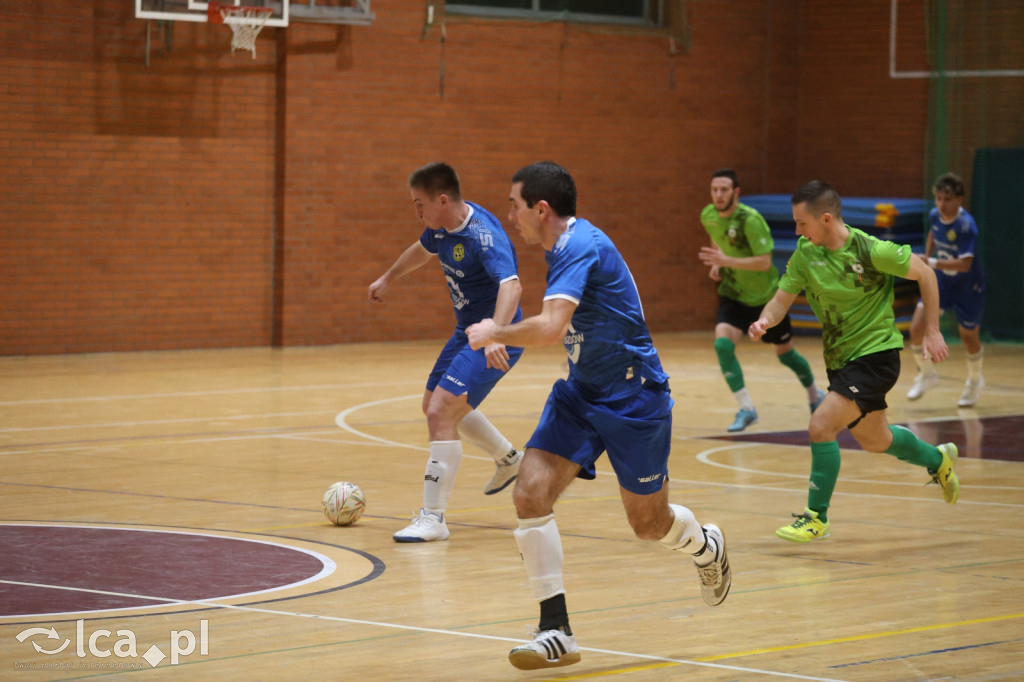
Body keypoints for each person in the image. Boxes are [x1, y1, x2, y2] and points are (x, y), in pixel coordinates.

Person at [467, 162, 731, 671]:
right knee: (529, 491)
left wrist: (494, 331)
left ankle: (705, 546)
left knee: (648, 525)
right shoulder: (561, 248)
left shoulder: (579, 247)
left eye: (513, 204)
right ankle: (556, 630)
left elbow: (549, 328)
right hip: (582, 393)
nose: (509, 215)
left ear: (540, 209)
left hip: (635, 397)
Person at [749, 181, 961, 543]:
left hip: (876, 355)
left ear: (826, 219)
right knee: (876, 440)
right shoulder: (805, 253)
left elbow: (925, 272)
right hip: (841, 359)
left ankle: (816, 517)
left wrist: (933, 330)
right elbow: (781, 300)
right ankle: (938, 460)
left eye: (802, 223)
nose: (797, 230)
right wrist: (766, 319)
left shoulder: (870, 249)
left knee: (821, 425)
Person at [368, 162, 525, 543]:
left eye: (419, 204)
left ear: (442, 200)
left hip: (494, 334)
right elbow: (422, 251)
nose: (417, 212)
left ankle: (434, 518)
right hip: (466, 332)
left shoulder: (482, 237)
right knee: (433, 405)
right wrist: (389, 277)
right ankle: (509, 459)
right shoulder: (442, 227)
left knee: (441, 410)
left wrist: (496, 336)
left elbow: (512, 285)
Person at [698, 169, 825, 432]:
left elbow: (764, 262)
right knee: (723, 345)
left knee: (785, 354)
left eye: (724, 190)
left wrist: (726, 260)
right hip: (733, 294)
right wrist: (718, 265)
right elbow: (718, 245)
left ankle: (815, 396)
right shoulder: (708, 215)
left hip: (765, 299)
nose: (718, 195)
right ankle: (746, 408)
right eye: (714, 190)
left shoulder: (751, 220)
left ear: (736, 192)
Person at [906, 172, 986, 407]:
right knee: (916, 329)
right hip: (941, 282)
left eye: (947, 199)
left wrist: (930, 263)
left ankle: (974, 380)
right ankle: (927, 374)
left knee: (968, 338)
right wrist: (929, 254)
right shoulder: (934, 215)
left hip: (967, 287)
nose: (941, 204)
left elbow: (965, 264)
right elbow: (933, 232)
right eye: (938, 198)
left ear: (959, 200)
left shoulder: (966, 226)